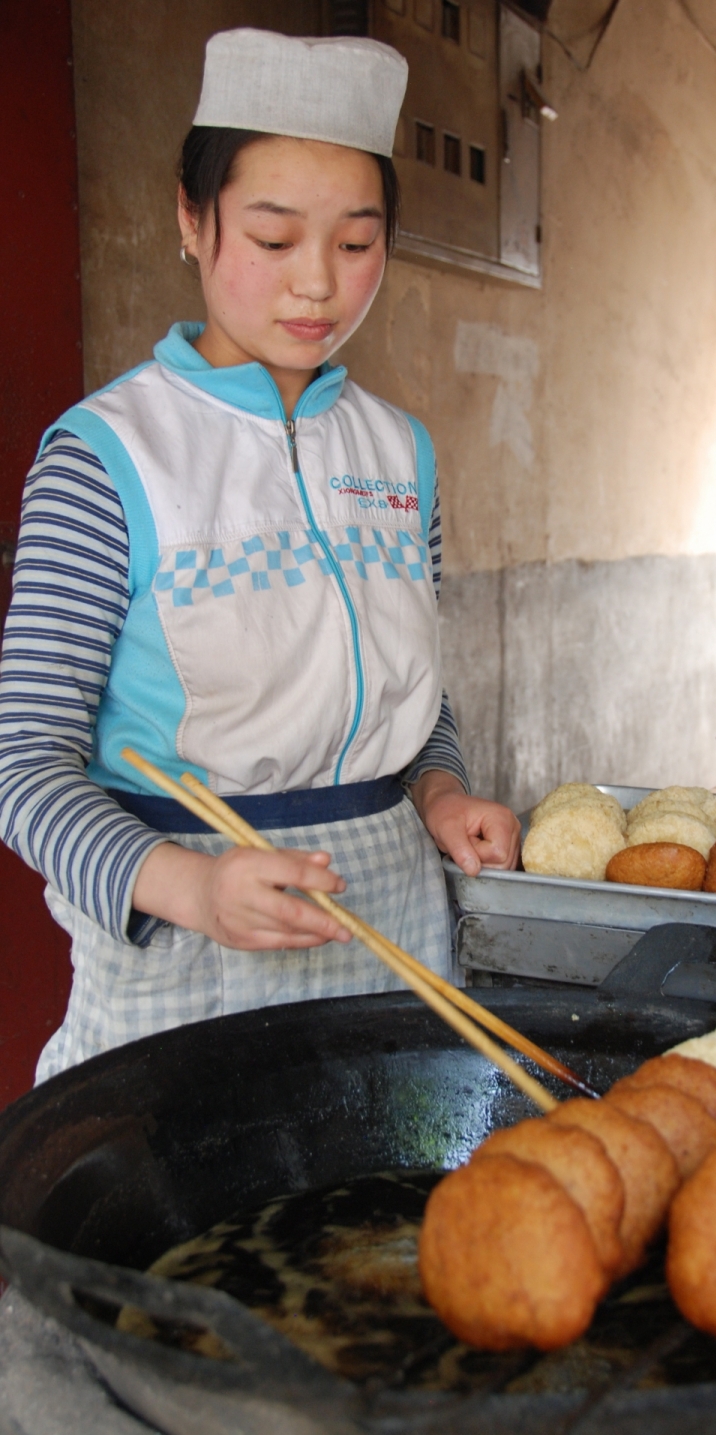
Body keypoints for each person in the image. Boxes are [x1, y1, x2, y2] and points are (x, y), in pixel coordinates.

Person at [0, 28, 520, 1082]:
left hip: (392, 922)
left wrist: (444, 795)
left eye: (357, 241)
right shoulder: (108, 460)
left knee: (377, 1214)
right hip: (184, 941)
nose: (317, 285)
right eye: (274, 239)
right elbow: (24, 771)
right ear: (190, 221)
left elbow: (415, 701)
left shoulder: (400, 452)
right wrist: (190, 886)